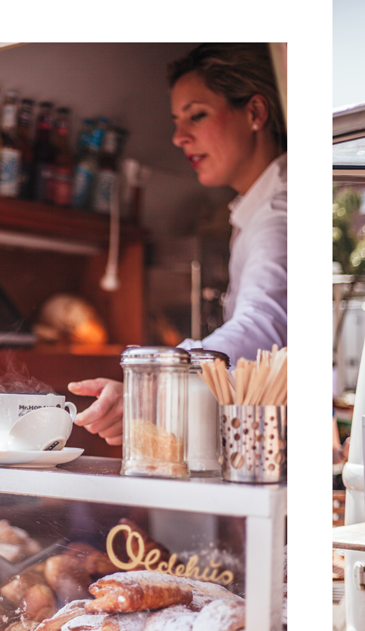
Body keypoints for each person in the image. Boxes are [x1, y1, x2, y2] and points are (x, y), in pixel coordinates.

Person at [69, 43, 287, 445]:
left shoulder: (278, 214)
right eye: (176, 120)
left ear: (255, 113)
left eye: (197, 115)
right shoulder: (254, 210)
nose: (178, 137)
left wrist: (153, 381)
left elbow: (263, 325)